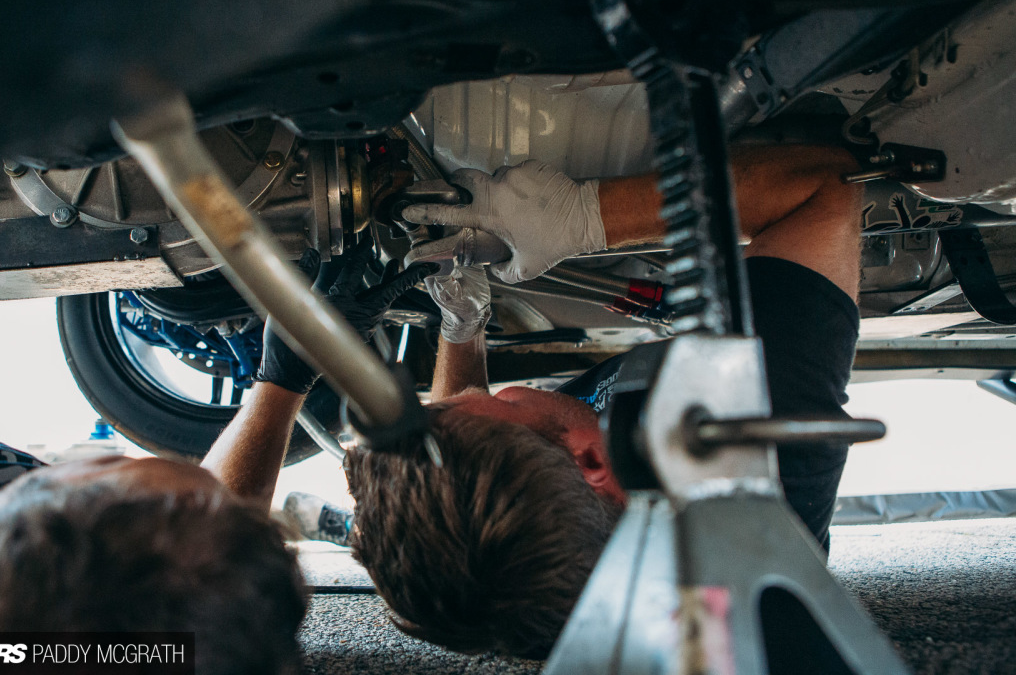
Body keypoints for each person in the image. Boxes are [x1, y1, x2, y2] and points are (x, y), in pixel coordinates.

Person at [342, 146, 863, 658]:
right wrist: (586, 216)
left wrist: (463, 326)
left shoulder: (533, 592)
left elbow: (462, 471)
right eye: (502, 401)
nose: (497, 392)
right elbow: (827, 188)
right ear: (590, 460)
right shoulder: (754, 428)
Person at [0, 244, 425, 675]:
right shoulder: (24, 596)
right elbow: (180, 594)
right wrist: (282, 379)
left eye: (104, 470)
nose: (102, 454)